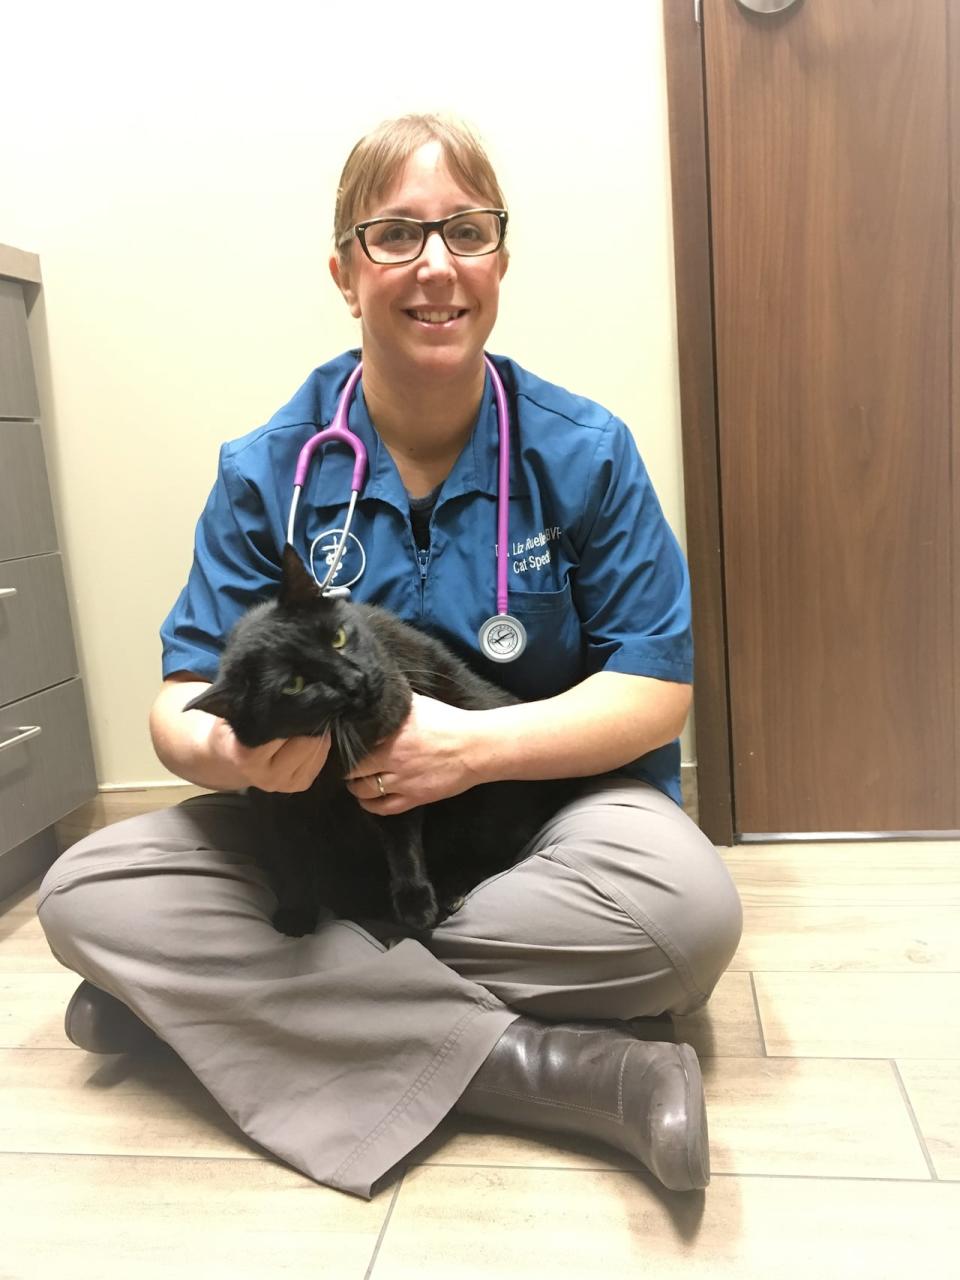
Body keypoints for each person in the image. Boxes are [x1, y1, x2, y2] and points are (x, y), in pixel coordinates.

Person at [37, 114, 742, 1198]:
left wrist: (473, 748)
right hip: (319, 821)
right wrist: (231, 754)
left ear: (500, 257)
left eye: (466, 230)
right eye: (395, 235)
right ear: (344, 270)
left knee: (684, 914)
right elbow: (180, 699)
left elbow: (655, 692)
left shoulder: (583, 452)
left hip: (538, 813)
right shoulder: (268, 467)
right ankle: (556, 1067)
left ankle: (200, 1004)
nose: (436, 267)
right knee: (85, 888)